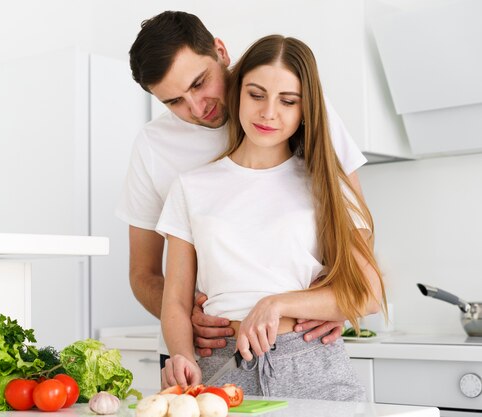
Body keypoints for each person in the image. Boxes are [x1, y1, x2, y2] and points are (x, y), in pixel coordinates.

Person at [117, 11, 367, 366]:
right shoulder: (154, 147)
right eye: (173, 102)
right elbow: (143, 273)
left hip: (298, 345)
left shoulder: (296, 108)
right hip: (199, 352)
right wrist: (187, 321)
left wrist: (333, 303)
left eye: (200, 83)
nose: (196, 108)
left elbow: (357, 231)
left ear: (221, 51)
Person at [157, 34, 386, 401]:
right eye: (256, 94)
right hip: (220, 367)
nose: (268, 113)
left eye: (288, 101)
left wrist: (276, 304)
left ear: (305, 109)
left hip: (312, 364)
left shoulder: (327, 184)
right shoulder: (190, 187)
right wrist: (182, 355)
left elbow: (369, 293)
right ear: (237, 92)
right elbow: (176, 302)